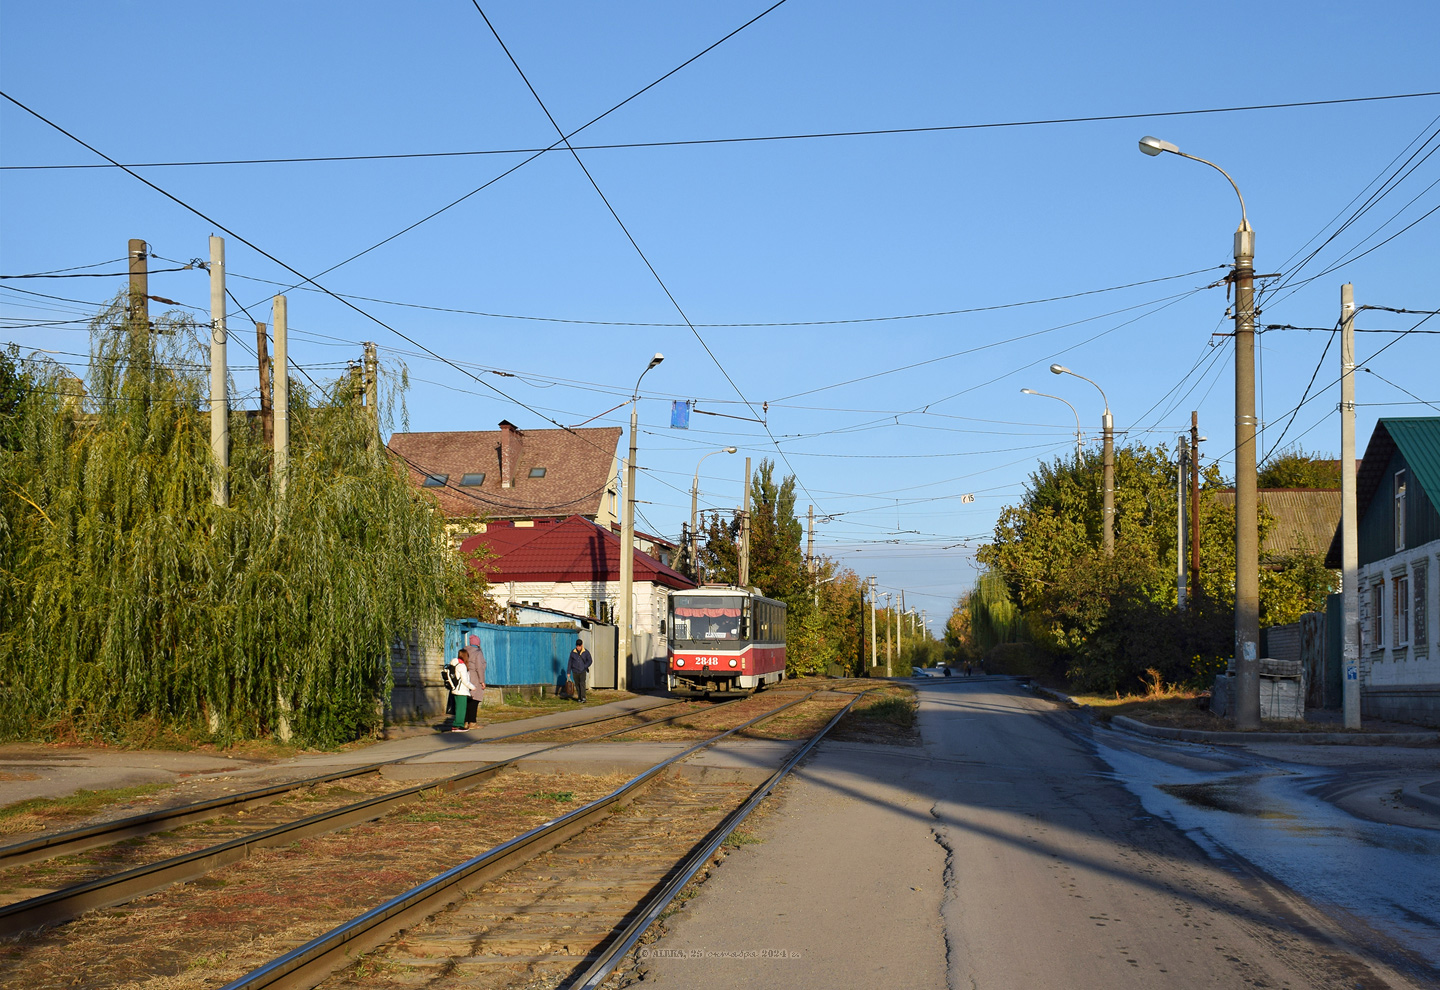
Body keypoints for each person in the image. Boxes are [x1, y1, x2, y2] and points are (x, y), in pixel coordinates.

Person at [466, 639, 486, 726]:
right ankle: (472, 722)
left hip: (465, 677)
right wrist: (482, 681)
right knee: (475, 700)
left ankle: (465, 721)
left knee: (466, 700)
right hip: (475, 678)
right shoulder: (478, 652)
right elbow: (479, 667)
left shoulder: (464, 650)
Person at [451, 648, 472, 730]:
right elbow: (464, 680)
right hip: (461, 690)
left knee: (458, 708)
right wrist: (472, 687)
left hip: (456, 689)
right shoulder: (462, 666)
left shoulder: (455, 664)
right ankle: (458, 725)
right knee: (461, 709)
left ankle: (457, 724)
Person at [568, 638, 593, 702]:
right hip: (575, 671)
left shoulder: (585, 652)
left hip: (582, 671)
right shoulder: (573, 652)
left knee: (582, 684)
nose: (578, 647)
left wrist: (585, 666)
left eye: (579, 646)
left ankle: (583, 697)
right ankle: (579, 698)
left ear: (582, 645)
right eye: (577, 646)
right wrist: (568, 672)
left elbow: (590, 660)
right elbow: (570, 662)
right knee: (577, 685)